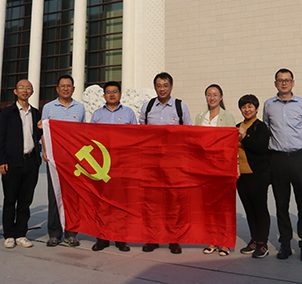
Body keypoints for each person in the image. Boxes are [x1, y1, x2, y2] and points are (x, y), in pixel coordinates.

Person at [139, 71, 192, 255]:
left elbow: (188, 133)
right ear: (155, 87)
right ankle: (152, 238)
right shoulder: (147, 107)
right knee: (152, 201)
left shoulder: (180, 106)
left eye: (165, 85)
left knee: (173, 201)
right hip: (151, 163)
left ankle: (174, 239)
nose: (162, 89)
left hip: (173, 163)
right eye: (159, 86)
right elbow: (140, 134)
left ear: (171, 86)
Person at [263, 68, 302, 262]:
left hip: (299, 158)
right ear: (275, 83)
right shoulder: (269, 105)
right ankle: (285, 244)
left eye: (287, 80)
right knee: (281, 203)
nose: (284, 83)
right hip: (278, 159)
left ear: (293, 83)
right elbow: (267, 128)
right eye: (280, 80)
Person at [90, 81, 137, 252]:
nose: (112, 94)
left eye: (115, 91)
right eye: (108, 92)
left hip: (122, 164)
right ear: (104, 95)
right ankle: (102, 237)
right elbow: (90, 138)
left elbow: (136, 137)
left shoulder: (129, 113)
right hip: (102, 165)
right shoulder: (97, 114)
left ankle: (120, 238)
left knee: (120, 202)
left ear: (120, 94)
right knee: (102, 202)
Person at [0, 79, 42, 250]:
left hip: (31, 162)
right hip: (12, 163)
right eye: (21, 87)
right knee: (10, 199)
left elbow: (38, 136)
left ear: (32, 92)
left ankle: (21, 233)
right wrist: (2, 160)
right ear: (15, 91)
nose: (25, 90)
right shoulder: (7, 113)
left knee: (25, 200)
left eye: (28, 88)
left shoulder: (36, 113)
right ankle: (9, 234)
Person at [41, 75, 86, 247]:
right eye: (63, 86)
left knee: (72, 197)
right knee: (54, 196)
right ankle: (54, 233)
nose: (66, 89)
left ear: (73, 89)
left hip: (73, 160)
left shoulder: (80, 108)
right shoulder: (48, 107)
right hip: (55, 158)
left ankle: (71, 233)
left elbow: (83, 133)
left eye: (69, 86)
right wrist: (46, 150)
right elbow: (44, 132)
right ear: (57, 89)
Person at [195, 84, 236, 256]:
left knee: (224, 206)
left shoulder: (227, 117)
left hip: (222, 166)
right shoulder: (200, 117)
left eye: (215, 95)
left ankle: (225, 242)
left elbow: (232, 143)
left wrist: (235, 165)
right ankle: (212, 239)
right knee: (209, 206)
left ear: (221, 97)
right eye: (209, 95)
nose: (212, 98)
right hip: (204, 167)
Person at [236, 94, 271, 259]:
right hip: (241, 176)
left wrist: (245, 137)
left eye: (250, 106)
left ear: (256, 109)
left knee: (260, 209)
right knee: (249, 209)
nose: (247, 109)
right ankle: (254, 240)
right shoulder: (237, 126)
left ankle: (262, 243)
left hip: (257, 175)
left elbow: (260, 148)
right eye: (243, 107)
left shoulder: (260, 127)